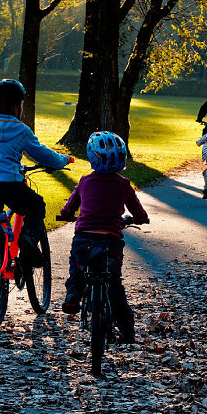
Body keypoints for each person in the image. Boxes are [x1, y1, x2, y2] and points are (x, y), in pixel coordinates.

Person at [0, 78, 74, 267]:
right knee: (36, 206)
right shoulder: (20, 130)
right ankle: (28, 241)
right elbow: (42, 154)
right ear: (16, 107)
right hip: (8, 185)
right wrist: (62, 160)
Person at [59, 131, 149, 342]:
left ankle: (73, 294)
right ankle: (127, 332)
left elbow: (67, 210)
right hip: (110, 240)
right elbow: (139, 213)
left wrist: (68, 216)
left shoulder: (84, 182)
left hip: (84, 237)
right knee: (114, 284)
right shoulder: (123, 184)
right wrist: (139, 219)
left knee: (78, 267)